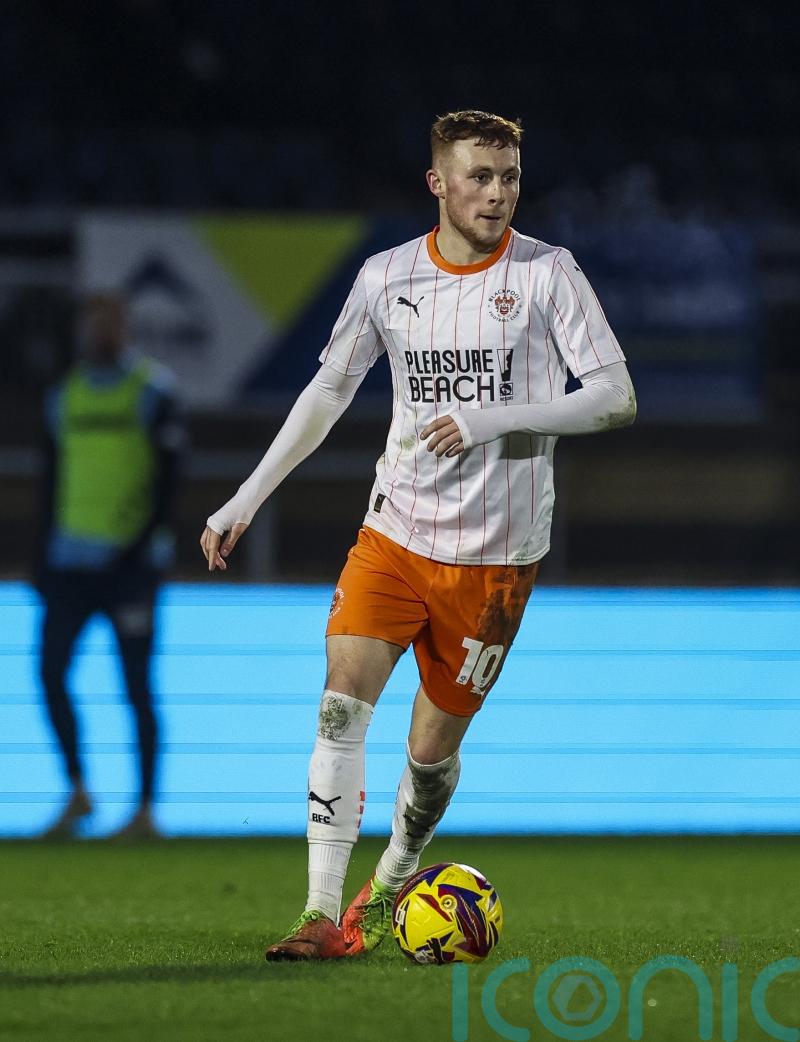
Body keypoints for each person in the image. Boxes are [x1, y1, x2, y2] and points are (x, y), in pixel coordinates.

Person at [200, 110, 636, 959]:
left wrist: (494, 420)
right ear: (437, 182)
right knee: (339, 709)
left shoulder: (549, 274)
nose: (498, 193)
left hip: (496, 561)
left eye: (509, 177)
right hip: (394, 534)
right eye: (479, 176)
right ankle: (323, 915)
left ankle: (389, 887)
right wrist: (245, 498)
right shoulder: (386, 278)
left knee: (429, 760)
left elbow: (615, 396)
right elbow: (327, 394)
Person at [36, 292, 184, 839]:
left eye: (109, 322)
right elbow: (50, 479)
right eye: (92, 322)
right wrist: (40, 557)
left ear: (123, 328)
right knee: (49, 673)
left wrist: (143, 544)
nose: (100, 332)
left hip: (131, 568)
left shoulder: (152, 391)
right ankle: (78, 790)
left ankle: (145, 810)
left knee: (137, 686)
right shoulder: (64, 396)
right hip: (69, 565)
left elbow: (171, 480)